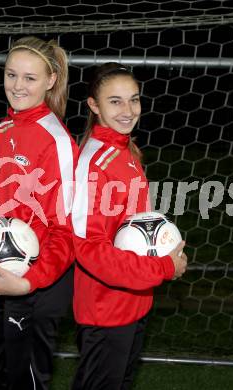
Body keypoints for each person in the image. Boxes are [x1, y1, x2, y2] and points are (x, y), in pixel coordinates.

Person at [70, 62, 188, 390]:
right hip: (106, 307)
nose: (128, 110)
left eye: (134, 99)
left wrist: (162, 250)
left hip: (134, 300)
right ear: (94, 105)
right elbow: (90, 249)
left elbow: (134, 226)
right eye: (115, 101)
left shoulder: (125, 150)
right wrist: (163, 267)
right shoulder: (95, 162)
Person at [0, 36, 78, 390]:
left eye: (29, 78)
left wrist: (28, 282)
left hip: (42, 279)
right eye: (11, 75)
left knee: (27, 381)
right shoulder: (3, 131)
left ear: (51, 81)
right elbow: (2, 214)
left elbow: (67, 230)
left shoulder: (58, 141)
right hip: (7, 273)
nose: (17, 86)